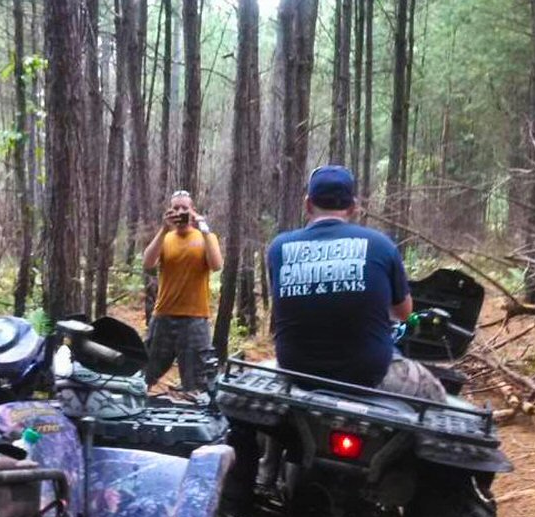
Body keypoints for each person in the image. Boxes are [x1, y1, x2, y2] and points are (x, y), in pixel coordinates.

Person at [265, 165, 447, 402]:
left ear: (308, 204)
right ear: (353, 207)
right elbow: (404, 313)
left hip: (297, 374)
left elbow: (282, 304)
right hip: (371, 376)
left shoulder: (279, 248)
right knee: (435, 395)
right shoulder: (381, 245)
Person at [141, 189, 224, 391]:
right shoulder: (166, 238)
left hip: (195, 320)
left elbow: (216, 264)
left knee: (197, 381)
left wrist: (203, 226)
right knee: (145, 371)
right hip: (163, 317)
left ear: (192, 210)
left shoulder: (205, 237)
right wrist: (163, 229)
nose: (180, 212)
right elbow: (148, 262)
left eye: (184, 208)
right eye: (175, 208)